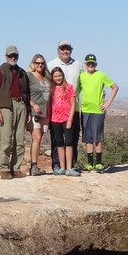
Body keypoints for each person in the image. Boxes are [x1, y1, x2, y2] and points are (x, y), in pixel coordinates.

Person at [0, 46, 29, 178]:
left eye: (15, 56)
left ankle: (16, 168)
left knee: (20, 139)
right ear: (6, 56)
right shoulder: (0, 70)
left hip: (21, 105)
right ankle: (4, 169)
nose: (13, 58)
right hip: (6, 105)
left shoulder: (22, 72)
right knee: (6, 137)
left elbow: (26, 93)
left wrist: (27, 111)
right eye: (11, 56)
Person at [77, 53, 118, 171]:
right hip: (85, 110)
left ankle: (99, 163)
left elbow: (115, 87)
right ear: (85, 64)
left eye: (93, 63)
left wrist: (108, 103)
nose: (90, 65)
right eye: (88, 63)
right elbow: (76, 90)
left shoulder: (101, 75)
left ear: (96, 64)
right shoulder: (82, 76)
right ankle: (90, 164)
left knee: (98, 137)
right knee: (88, 137)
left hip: (98, 111)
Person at [48, 40, 82, 171]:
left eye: (67, 49)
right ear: (58, 50)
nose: (65, 51)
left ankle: (71, 166)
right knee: (57, 140)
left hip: (73, 110)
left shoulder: (78, 65)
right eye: (63, 49)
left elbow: (85, 82)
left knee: (72, 139)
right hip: (55, 114)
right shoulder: (51, 64)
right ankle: (57, 165)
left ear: (71, 50)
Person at [26, 54, 51, 176]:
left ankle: (35, 166)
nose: (40, 65)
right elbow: (23, 93)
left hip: (45, 113)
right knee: (37, 138)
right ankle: (33, 166)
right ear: (33, 64)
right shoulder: (29, 76)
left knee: (39, 138)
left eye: (42, 63)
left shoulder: (47, 78)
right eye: (37, 63)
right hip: (34, 112)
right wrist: (32, 105)